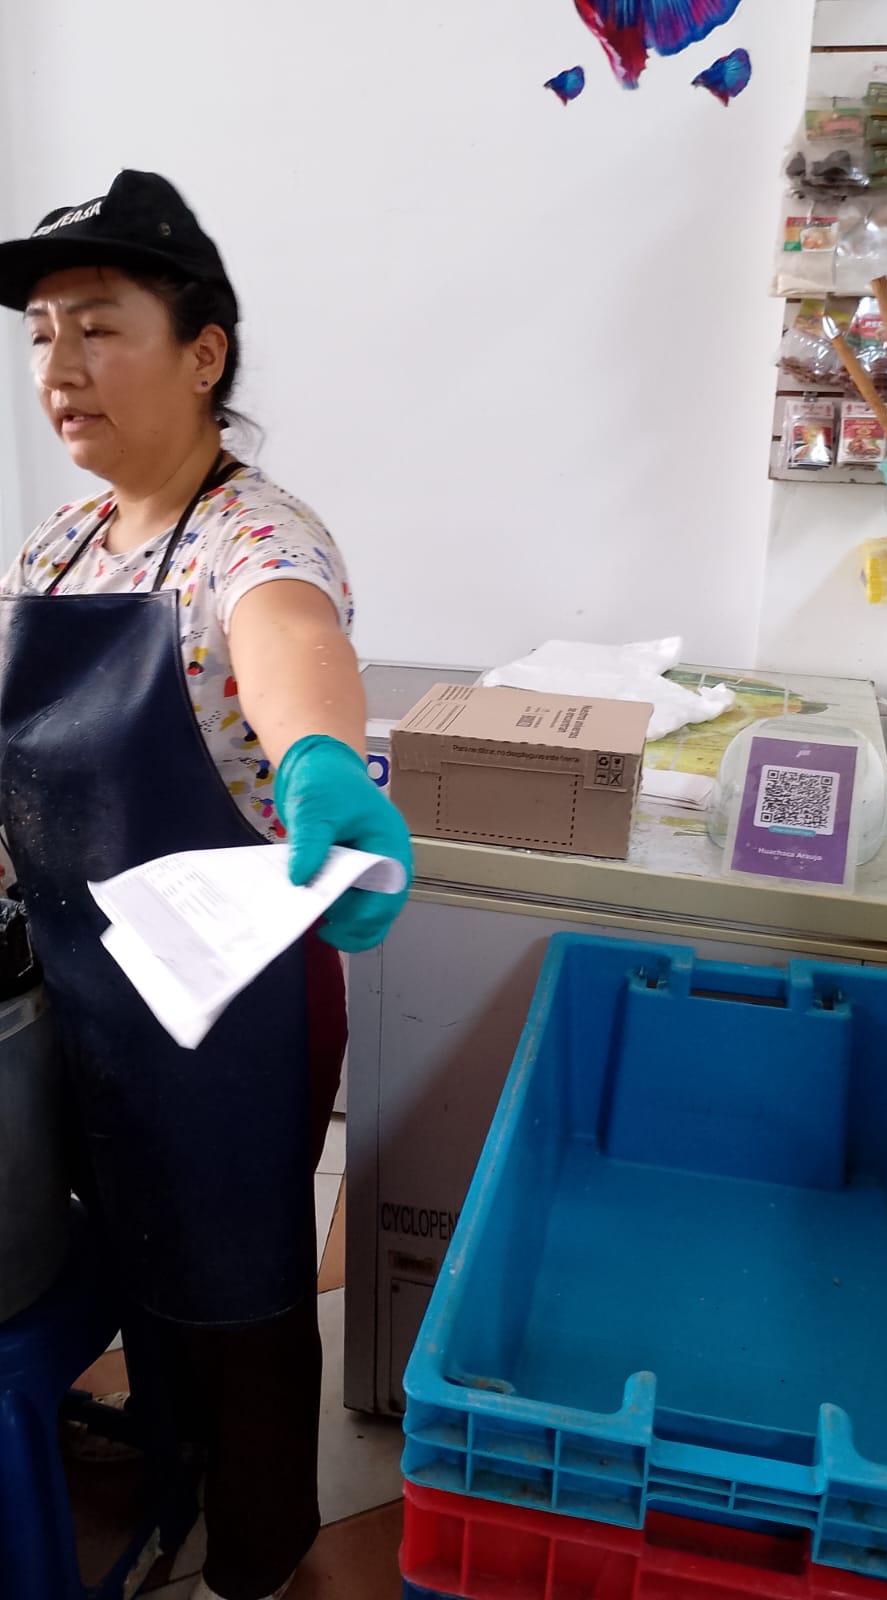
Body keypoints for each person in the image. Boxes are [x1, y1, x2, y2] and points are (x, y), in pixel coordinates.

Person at [0, 169, 413, 1600]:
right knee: (132, 1246)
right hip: (86, 990)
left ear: (204, 353)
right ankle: (166, 1468)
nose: (60, 368)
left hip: (233, 1010)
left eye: (100, 326)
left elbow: (287, 635)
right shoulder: (57, 547)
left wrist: (322, 762)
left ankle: (260, 1551)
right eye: (42, 334)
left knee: (240, 1290)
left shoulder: (255, 534)